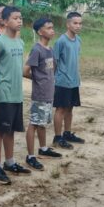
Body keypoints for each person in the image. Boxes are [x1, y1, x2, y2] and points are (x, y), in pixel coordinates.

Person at [0, 6, 31, 185]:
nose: (19, 21)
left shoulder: (19, 42)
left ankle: (9, 161)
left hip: (16, 93)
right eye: (15, 18)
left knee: (11, 129)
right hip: (2, 92)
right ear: (4, 21)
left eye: (20, 18)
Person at [24, 18, 64, 170]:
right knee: (34, 123)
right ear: (40, 32)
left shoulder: (50, 49)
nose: (52, 30)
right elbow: (25, 71)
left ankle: (43, 148)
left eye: (52, 27)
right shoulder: (37, 49)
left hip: (49, 93)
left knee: (42, 123)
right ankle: (30, 156)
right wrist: (38, 80)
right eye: (48, 28)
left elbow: (52, 69)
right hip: (40, 94)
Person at [52, 12, 85, 149]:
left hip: (74, 81)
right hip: (62, 81)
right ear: (68, 24)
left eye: (80, 23)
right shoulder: (61, 41)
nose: (78, 26)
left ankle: (67, 133)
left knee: (70, 108)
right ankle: (57, 137)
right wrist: (53, 79)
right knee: (60, 109)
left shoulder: (78, 40)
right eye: (75, 23)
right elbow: (54, 62)